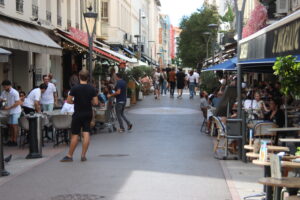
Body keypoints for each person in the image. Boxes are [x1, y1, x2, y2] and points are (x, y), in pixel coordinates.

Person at [60, 69, 98, 162]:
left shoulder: (75, 88)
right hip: (88, 113)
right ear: (88, 77)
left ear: (79, 77)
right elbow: (96, 102)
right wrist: (89, 101)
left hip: (77, 113)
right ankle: (83, 155)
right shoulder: (92, 88)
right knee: (86, 133)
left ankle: (69, 156)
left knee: (75, 135)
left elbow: (68, 101)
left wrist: (75, 101)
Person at [0, 80, 22, 146]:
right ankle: (11, 139)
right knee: (10, 125)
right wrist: (4, 106)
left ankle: (14, 141)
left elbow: (18, 102)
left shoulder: (15, 92)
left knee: (14, 125)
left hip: (16, 111)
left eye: (5, 86)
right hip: (9, 111)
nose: (4, 88)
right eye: (3, 87)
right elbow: (3, 100)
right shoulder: (4, 92)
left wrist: (9, 107)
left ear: (9, 86)